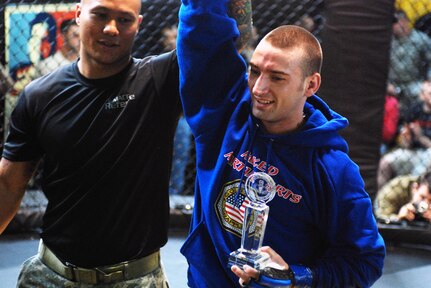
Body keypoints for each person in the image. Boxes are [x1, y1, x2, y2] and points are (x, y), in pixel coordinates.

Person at [177, 0, 385, 287]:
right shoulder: (225, 115)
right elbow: (201, 34)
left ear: (310, 85)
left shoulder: (334, 170)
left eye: (277, 78)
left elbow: (364, 261)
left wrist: (295, 277)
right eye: (254, 71)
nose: (259, 88)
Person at [0, 0, 182, 286]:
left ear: (139, 25)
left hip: (136, 279)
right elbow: (9, 186)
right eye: (100, 15)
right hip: (49, 274)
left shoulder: (160, 78)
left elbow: (226, 39)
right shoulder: (39, 95)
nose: (111, 28)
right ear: (78, 14)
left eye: (124, 20)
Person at [378, 80, 431, 189]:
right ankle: (380, 203)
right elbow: (404, 142)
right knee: (384, 163)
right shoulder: (415, 109)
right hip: (411, 152)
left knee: (421, 170)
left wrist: (420, 137)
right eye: (429, 93)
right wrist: (405, 137)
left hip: (428, 154)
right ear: (423, 95)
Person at [388, 9, 431, 119]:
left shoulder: (420, 39)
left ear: (403, 22)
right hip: (393, 85)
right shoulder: (389, 41)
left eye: (394, 22)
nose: (392, 26)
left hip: (415, 83)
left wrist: (428, 82)